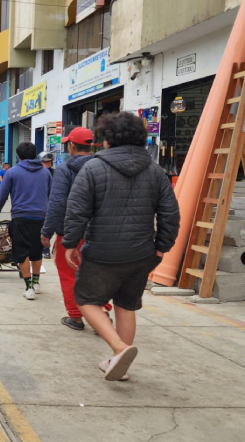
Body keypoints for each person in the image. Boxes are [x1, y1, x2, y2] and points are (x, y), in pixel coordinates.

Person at [63, 112, 179, 381]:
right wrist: (162, 246)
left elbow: (77, 211)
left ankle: (119, 349)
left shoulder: (92, 168)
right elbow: (170, 213)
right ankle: (119, 364)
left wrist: (70, 243)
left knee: (86, 299)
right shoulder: (156, 171)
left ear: (106, 141)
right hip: (141, 253)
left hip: (102, 252)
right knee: (126, 305)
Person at [41, 127, 114, 331]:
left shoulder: (65, 169)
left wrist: (46, 232)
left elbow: (57, 203)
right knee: (98, 274)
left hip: (72, 232)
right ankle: (102, 311)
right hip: (100, 234)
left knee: (69, 273)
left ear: (71, 145)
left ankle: (76, 316)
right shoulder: (105, 167)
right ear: (91, 145)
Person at [0, 142, 52, 301]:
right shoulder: (45, 173)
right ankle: (36, 282)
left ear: (18, 156)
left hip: (20, 217)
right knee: (36, 250)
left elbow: (2, 195)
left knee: (22, 252)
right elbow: (51, 195)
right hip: (41, 217)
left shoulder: (12, 172)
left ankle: (29, 287)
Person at [38, 152, 54, 259]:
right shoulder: (38, 173)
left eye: (49, 162)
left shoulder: (56, 173)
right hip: (40, 205)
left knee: (49, 228)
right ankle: (44, 249)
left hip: (52, 204)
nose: (48, 164)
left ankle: (46, 248)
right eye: (45, 162)